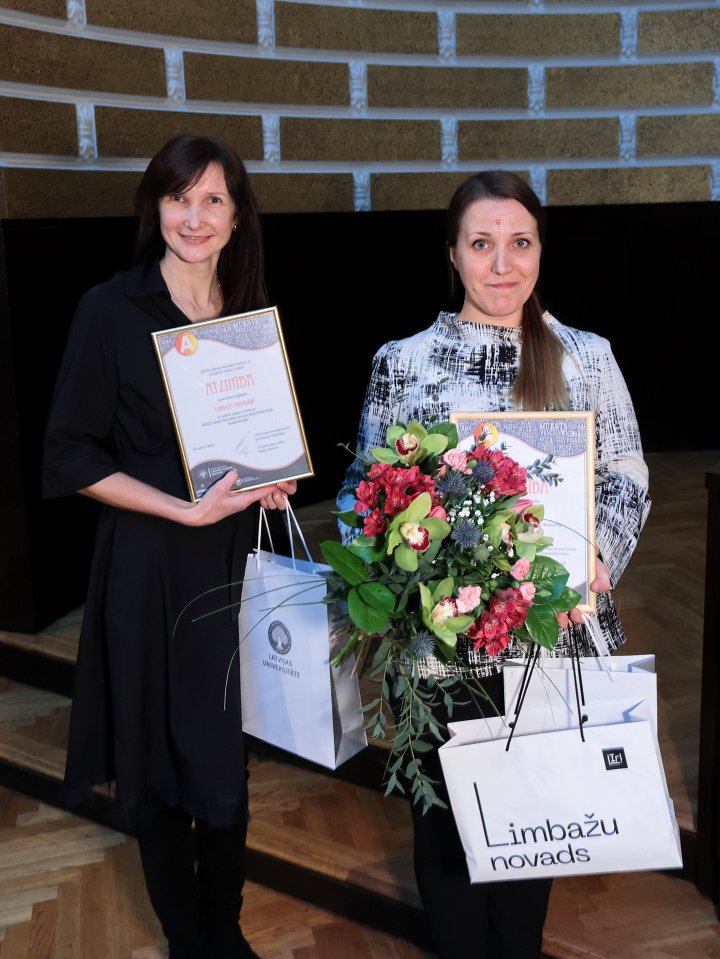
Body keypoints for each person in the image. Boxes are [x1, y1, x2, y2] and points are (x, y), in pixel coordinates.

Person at [339, 170, 651, 958]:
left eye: (519, 242)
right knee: (447, 842)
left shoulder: (587, 356)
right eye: (482, 244)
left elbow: (627, 476)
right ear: (453, 253)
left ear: (540, 250)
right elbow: (358, 492)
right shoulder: (402, 362)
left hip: (553, 643)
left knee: (530, 841)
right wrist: (389, 549)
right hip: (440, 652)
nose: (502, 264)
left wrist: (599, 557)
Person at [43, 134, 295, 959]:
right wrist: (179, 510)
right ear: (156, 208)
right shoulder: (109, 310)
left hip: (230, 565)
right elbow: (71, 455)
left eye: (213, 200)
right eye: (179, 198)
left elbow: (257, 443)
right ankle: (189, 939)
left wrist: (273, 477)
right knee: (155, 751)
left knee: (222, 750)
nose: (195, 216)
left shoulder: (249, 312)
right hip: (149, 560)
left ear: (235, 215)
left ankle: (222, 927)